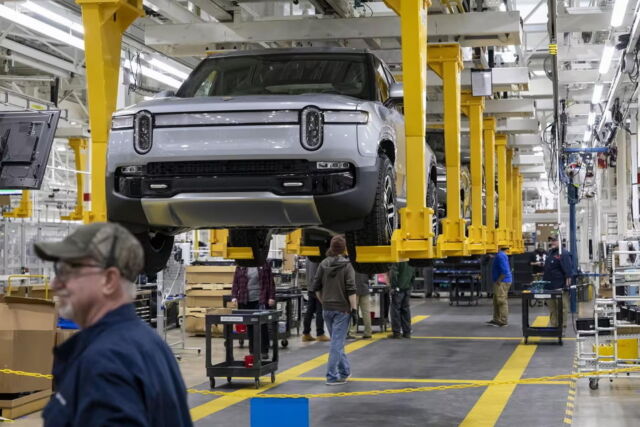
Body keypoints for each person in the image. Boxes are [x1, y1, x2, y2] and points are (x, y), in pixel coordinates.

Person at [33, 222, 192, 427]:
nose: (55, 284)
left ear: (109, 280)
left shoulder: (105, 361)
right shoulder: (149, 343)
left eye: (67, 270)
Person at [311, 235, 357, 385]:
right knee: (336, 343)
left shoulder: (323, 263)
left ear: (331, 247)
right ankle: (331, 376)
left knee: (337, 342)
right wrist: (354, 309)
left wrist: (323, 301)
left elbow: (315, 287)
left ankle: (345, 371)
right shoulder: (347, 265)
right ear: (344, 249)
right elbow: (351, 289)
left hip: (327, 309)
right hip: (342, 310)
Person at [232, 263, 276, 359]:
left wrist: (272, 297)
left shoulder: (264, 264)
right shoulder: (241, 265)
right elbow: (235, 282)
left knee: (263, 325)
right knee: (250, 326)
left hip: (260, 299)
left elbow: (271, 282)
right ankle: (252, 351)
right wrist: (234, 296)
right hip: (245, 300)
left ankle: (264, 350)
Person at [543, 236, 573, 328]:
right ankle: (554, 326)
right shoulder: (550, 252)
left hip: (560, 287)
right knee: (552, 308)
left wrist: (567, 286)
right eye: (552, 241)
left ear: (560, 242)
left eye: (555, 241)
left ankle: (561, 327)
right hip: (549, 286)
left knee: (562, 308)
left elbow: (568, 272)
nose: (552, 242)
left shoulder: (564, 254)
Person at [302, 260, 330, 342]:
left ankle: (306, 333)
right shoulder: (317, 258)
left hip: (310, 287)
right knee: (320, 311)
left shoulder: (308, 258)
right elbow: (319, 275)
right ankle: (320, 334)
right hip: (318, 288)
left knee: (309, 311)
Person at [487, 246, 512, 327]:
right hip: (501, 281)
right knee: (496, 301)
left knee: (501, 301)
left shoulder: (500, 256)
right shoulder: (500, 255)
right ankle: (496, 319)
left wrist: (499, 281)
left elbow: (504, 271)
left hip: (502, 282)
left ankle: (503, 321)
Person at [388, 261, 415, 339]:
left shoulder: (398, 259)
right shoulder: (410, 258)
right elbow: (413, 274)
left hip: (398, 289)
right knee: (406, 310)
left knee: (395, 311)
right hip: (407, 288)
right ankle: (407, 332)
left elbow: (393, 273)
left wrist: (393, 286)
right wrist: (410, 286)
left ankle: (397, 333)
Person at [349, 272, 372, 339]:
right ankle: (368, 332)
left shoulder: (351, 263)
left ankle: (352, 332)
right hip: (365, 289)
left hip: (353, 290)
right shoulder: (365, 262)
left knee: (354, 311)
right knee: (366, 312)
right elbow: (371, 275)